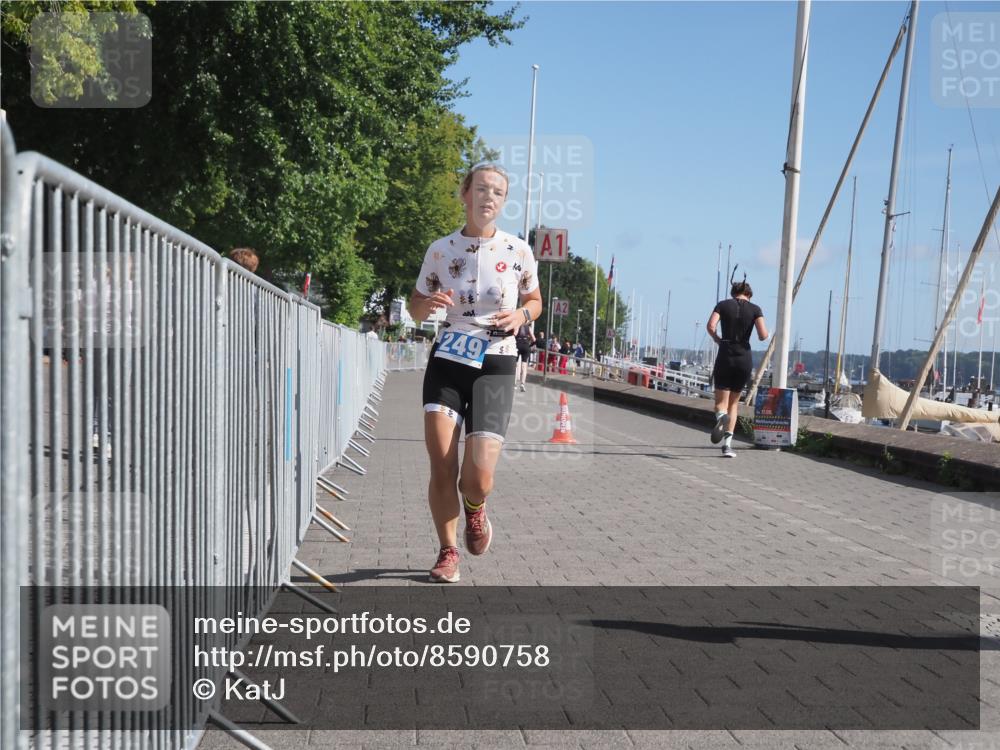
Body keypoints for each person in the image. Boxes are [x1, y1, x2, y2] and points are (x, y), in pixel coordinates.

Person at [408, 162, 542, 583]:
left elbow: (535, 300)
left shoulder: (518, 250)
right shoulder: (440, 250)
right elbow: (414, 306)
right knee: (441, 464)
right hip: (449, 358)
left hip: (497, 361)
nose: (489, 197)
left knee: (478, 478)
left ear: (503, 202)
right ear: (465, 193)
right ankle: (448, 552)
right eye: (481, 188)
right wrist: (427, 306)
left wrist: (522, 314)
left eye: (498, 192)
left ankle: (476, 509)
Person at [706, 274, 768, 458]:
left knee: (721, 403)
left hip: (726, 353)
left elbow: (710, 326)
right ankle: (727, 446)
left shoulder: (723, 305)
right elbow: (763, 335)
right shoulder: (756, 309)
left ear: (734, 293)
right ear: (749, 294)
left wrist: (719, 340)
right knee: (734, 403)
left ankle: (720, 418)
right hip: (744, 357)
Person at [515, 322, 533, 392]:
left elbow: (514, 334)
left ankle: (514, 384)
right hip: (526, 346)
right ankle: (522, 384)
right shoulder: (528, 328)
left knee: (515, 365)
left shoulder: (517, 325)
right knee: (524, 366)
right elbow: (534, 339)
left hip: (517, 345)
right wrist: (530, 345)